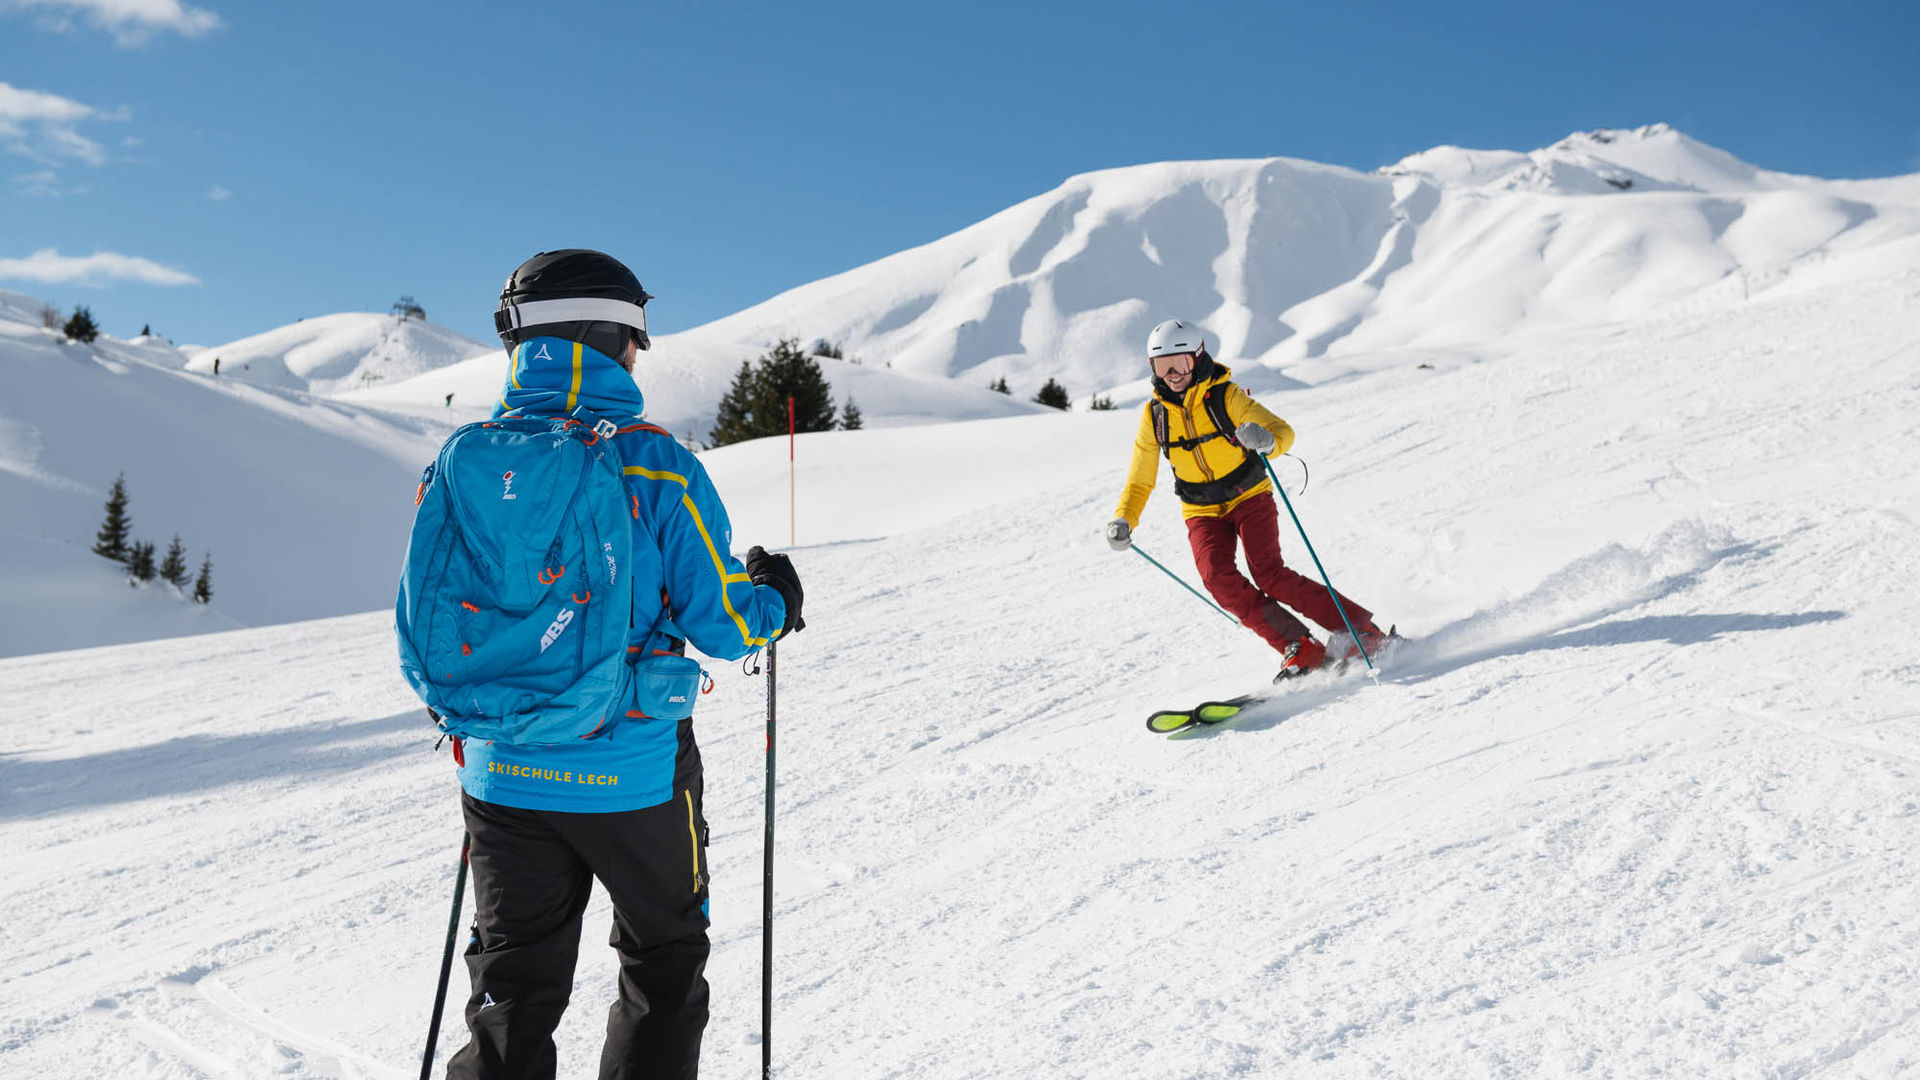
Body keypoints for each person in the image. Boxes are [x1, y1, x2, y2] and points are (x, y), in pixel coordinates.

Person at [445, 249, 803, 1079]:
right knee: (663, 958)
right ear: (608, 335)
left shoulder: (473, 462)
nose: (639, 356)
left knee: (512, 980)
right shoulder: (655, 464)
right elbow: (725, 625)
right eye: (635, 337)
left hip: (502, 776)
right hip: (633, 773)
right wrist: (775, 602)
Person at [1105, 319, 1386, 679]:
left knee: (1270, 574)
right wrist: (1125, 518)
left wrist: (1267, 442)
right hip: (1202, 509)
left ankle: (1359, 629)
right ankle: (1301, 646)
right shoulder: (1155, 416)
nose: (1172, 374)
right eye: (1163, 366)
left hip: (1248, 496)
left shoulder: (1227, 397)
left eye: (1181, 364)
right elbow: (1140, 479)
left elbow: (1283, 432)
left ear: (1198, 358)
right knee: (1216, 578)